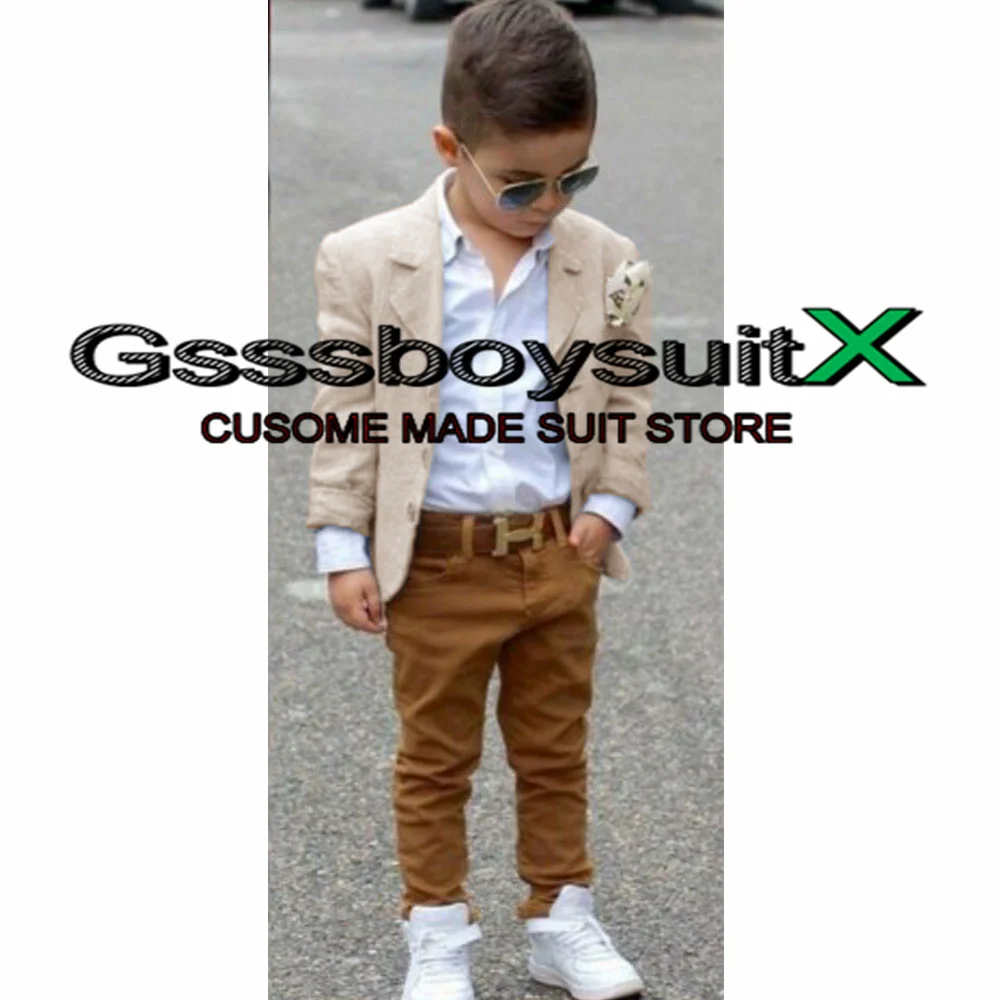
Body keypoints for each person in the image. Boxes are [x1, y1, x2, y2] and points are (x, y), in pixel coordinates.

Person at [306, 1, 653, 996]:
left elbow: (626, 397)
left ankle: (560, 916)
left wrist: (611, 507)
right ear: (449, 148)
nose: (549, 202)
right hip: (437, 561)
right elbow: (346, 413)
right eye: (521, 183)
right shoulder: (366, 258)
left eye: (574, 176)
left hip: (557, 551)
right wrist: (341, 545)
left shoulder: (606, 256)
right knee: (434, 759)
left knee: (554, 751)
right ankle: (438, 931)